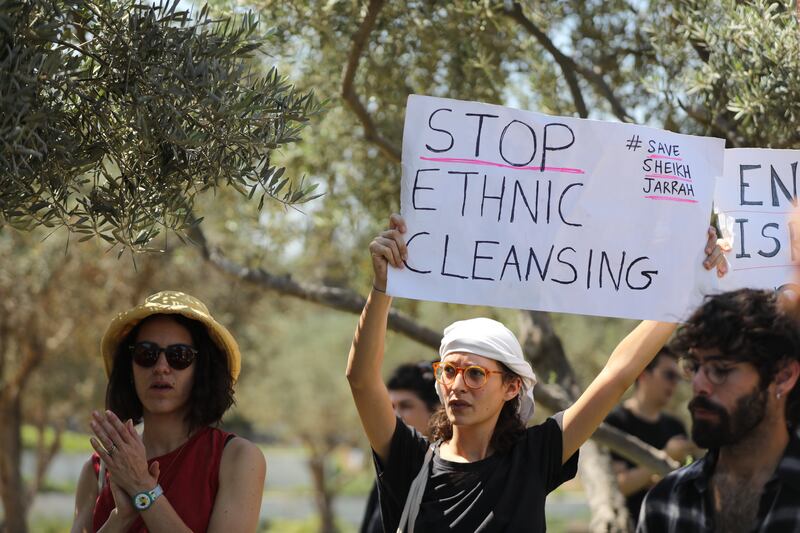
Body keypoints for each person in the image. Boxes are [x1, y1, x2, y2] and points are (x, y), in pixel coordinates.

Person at [346, 214, 678, 532]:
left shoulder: (534, 456)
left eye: (475, 374)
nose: (457, 385)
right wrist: (383, 289)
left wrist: (682, 291)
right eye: (448, 371)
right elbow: (361, 380)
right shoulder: (410, 460)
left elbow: (617, 376)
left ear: (511, 386)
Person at [71, 291, 266, 533]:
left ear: (201, 369)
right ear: (129, 368)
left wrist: (143, 489)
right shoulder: (98, 471)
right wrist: (120, 518)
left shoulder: (237, 459)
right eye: (146, 354)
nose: (161, 368)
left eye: (179, 356)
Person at [637, 288, 800, 533]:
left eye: (721, 370)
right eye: (695, 367)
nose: (699, 385)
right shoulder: (666, 502)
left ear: (783, 376)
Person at [604, 346, 696, 523]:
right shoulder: (616, 422)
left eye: (677, 377)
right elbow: (618, 486)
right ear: (643, 374)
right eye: (669, 375)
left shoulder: (675, 427)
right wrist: (666, 456)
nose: (674, 383)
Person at [361, 361, 441, 533]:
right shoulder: (390, 468)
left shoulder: (448, 472)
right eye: (389, 407)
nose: (394, 416)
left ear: (437, 411)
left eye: (405, 406)